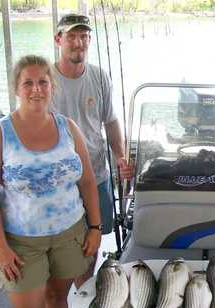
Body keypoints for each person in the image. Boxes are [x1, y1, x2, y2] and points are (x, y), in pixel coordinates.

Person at [0, 55, 101, 308]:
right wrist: (1, 249)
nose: (36, 89)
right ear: (16, 89)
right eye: (28, 83)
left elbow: (87, 181)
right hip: (20, 242)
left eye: (42, 82)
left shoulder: (68, 127)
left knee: (58, 299)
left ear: (52, 86)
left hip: (69, 232)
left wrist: (96, 228)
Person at [51, 14, 134, 287]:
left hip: (97, 175)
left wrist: (120, 156)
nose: (79, 43)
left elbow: (110, 122)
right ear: (58, 39)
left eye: (84, 36)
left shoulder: (99, 76)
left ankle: (84, 291)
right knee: (60, 249)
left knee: (92, 242)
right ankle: (64, 293)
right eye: (72, 36)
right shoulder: (45, 81)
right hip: (59, 184)